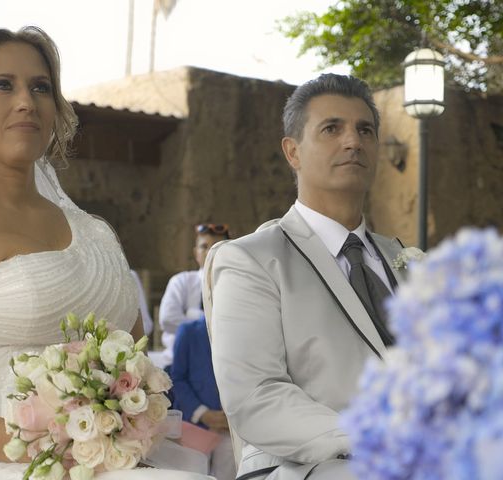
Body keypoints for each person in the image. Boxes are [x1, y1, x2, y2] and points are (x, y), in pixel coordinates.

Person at [0, 27, 210, 480]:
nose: (26, 100)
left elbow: (137, 362)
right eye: (3, 84)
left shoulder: (98, 232)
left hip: (107, 461)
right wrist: (50, 444)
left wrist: (118, 428)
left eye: (41, 87)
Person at [205, 74, 408, 480]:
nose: (353, 141)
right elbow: (257, 397)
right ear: (292, 151)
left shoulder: (406, 261)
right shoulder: (251, 259)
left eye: (365, 130)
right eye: (332, 128)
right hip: (310, 467)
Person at [151, 224, 229, 370]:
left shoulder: (236, 286)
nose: (210, 252)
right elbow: (168, 319)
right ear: (196, 253)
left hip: (221, 368)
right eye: (204, 247)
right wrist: (206, 321)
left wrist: (192, 315)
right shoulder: (180, 281)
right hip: (179, 365)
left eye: (217, 247)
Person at [171, 315, 236, 480]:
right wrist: (203, 413)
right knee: (192, 476)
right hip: (196, 425)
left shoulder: (241, 329)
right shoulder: (189, 331)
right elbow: (176, 378)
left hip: (231, 425)